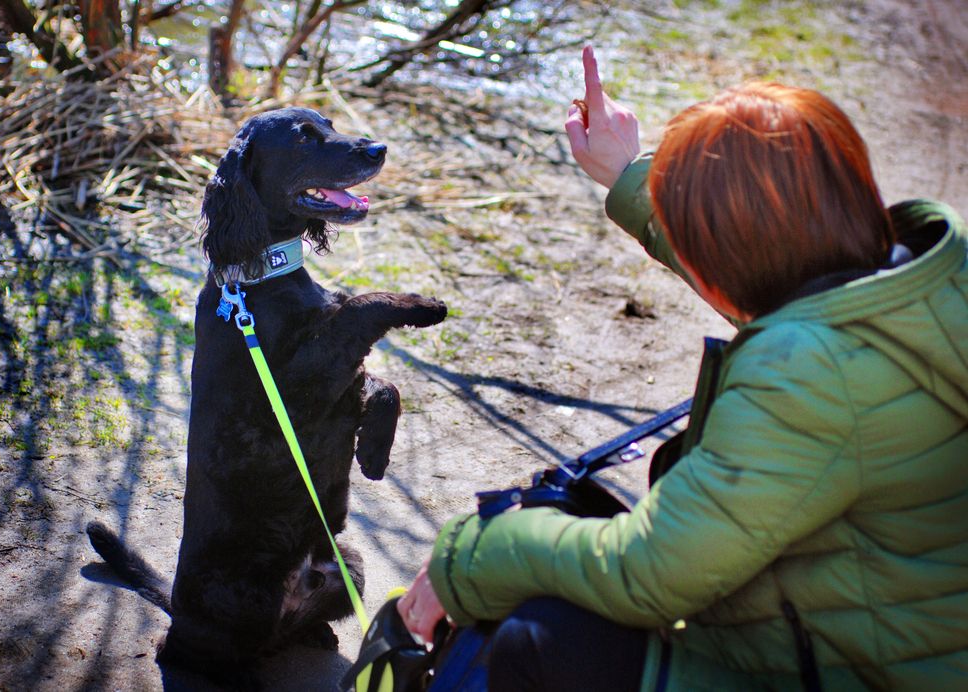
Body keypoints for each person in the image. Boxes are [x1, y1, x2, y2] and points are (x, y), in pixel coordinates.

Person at [396, 46, 968, 690]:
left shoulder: (807, 376)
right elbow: (777, 277)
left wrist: (465, 560)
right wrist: (627, 172)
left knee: (541, 639)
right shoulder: (927, 281)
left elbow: (647, 572)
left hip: (860, 674)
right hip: (908, 644)